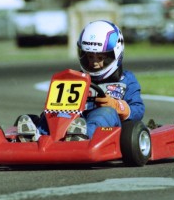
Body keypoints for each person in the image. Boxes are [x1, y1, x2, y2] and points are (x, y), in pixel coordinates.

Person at [17, 20, 145, 141]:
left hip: (108, 127)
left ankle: (82, 135)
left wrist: (117, 105)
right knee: (53, 112)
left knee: (105, 112)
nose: (94, 63)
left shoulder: (126, 80)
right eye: (90, 57)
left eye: (100, 57)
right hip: (74, 120)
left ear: (116, 54)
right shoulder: (76, 78)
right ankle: (38, 136)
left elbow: (138, 110)